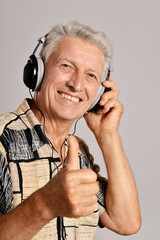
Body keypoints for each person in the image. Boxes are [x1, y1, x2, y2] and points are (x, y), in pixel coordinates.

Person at [0, 20, 141, 240]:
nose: (76, 84)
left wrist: (108, 135)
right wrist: (45, 204)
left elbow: (126, 221)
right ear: (37, 71)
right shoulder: (2, 141)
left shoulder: (79, 153)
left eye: (91, 75)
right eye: (66, 66)